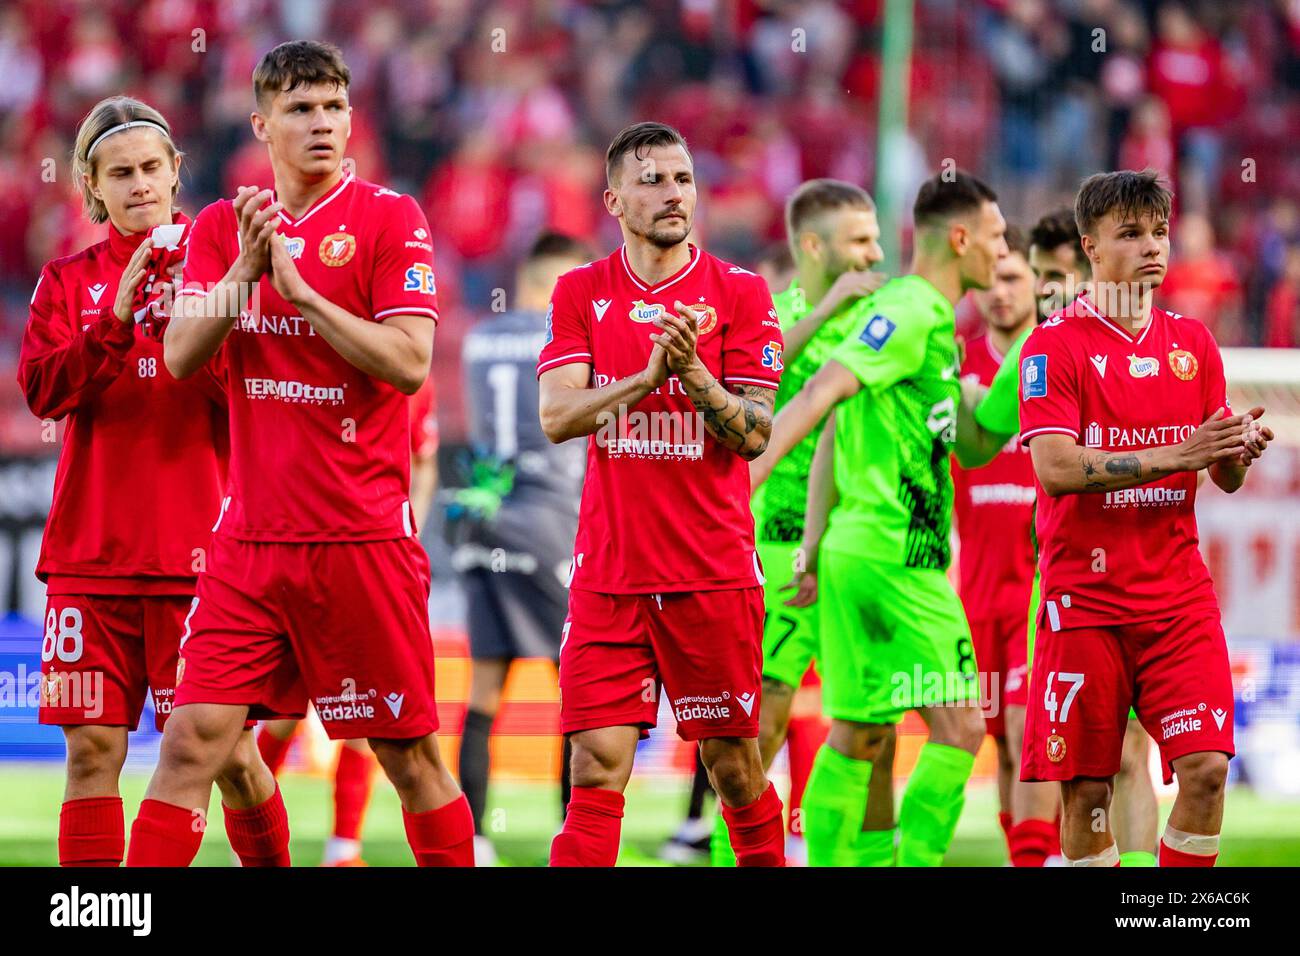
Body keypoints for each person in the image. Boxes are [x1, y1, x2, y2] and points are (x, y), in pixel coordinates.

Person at [125, 40, 473, 867]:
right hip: (249, 546)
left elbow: (410, 361)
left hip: (361, 540)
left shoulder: (391, 219)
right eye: (301, 109)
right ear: (261, 124)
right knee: (189, 747)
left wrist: (305, 296)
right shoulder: (221, 228)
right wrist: (247, 267)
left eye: (334, 107)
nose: (322, 124)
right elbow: (178, 356)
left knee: (409, 759)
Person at [18, 95, 286, 867]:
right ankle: (101, 918)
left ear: (176, 174)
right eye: (119, 173)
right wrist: (115, 323)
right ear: (93, 189)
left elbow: (245, 391)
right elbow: (42, 391)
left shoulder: (225, 271)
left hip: (200, 560)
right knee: (91, 752)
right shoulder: (67, 281)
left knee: (229, 756)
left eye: (151, 169)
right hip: (89, 559)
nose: (139, 185)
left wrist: (193, 320)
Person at [538, 121, 787, 867]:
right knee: (594, 767)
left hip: (711, 574)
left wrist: (695, 376)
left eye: (682, 179)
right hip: (609, 575)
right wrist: (647, 378)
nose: (673, 193)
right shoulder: (580, 291)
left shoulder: (739, 293)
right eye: (652, 180)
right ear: (614, 199)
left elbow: (755, 433)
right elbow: (557, 416)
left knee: (734, 771)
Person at [751, 171, 1008, 866]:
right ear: (960, 240)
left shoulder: (931, 324)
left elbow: (970, 445)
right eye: (995, 236)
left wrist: (1022, 371)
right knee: (960, 728)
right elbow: (817, 395)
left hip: (856, 551)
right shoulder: (913, 310)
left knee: (861, 732)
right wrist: (752, 473)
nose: (1003, 251)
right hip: (894, 557)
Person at [1017, 169, 1269, 866]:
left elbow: (1223, 476)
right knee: (1088, 793)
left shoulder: (1194, 344)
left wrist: (1233, 451)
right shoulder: (1054, 345)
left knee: (1208, 771)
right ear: (1090, 246)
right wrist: (1180, 452)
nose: (1152, 248)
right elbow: (1056, 469)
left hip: (1177, 603)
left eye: (1159, 232)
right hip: (1086, 604)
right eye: (1130, 234)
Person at [957, 207, 1159, 867]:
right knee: (1022, 745)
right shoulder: (1010, 362)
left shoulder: (1115, 347)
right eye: (1025, 275)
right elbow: (976, 443)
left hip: (1091, 584)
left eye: (1046, 276)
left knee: (1113, 749)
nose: (1033, 292)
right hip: (1005, 585)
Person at [713, 178, 891, 867]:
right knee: (766, 713)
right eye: (860, 241)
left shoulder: (882, 318)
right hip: (776, 547)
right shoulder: (769, 310)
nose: (875, 253)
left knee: (873, 722)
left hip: (859, 547)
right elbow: (737, 385)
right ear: (813, 246)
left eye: (877, 238)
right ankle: (742, 857)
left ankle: (860, 858)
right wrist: (827, 311)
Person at [253, 377, 442, 868]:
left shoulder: (409, 371)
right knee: (281, 711)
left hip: (370, 559)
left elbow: (424, 462)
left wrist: (408, 533)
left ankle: (343, 849)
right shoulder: (307, 360)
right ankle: (251, 843)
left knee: (365, 711)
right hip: (295, 552)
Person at [452, 231, 590, 865]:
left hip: (482, 520)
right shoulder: (563, 341)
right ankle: (576, 832)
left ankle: (473, 839)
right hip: (549, 525)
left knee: (484, 692)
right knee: (582, 691)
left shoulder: (480, 337)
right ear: (554, 282)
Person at [949, 225, 1038, 860]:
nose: (1000, 293)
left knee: (1026, 727)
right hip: (974, 587)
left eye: (1014, 279)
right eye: (993, 280)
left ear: (1038, 282)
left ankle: (1036, 856)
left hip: (1040, 586)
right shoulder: (956, 362)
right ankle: (1023, 856)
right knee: (999, 741)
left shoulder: (1052, 361)